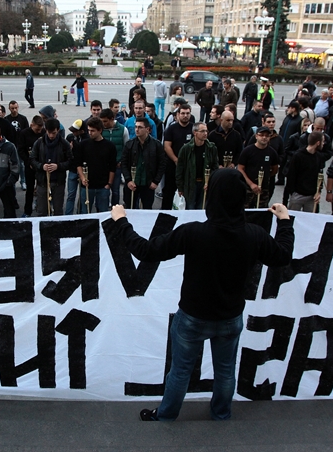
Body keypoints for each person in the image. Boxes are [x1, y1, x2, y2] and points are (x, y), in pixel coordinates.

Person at [110, 168, 294, 421]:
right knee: (226, 371)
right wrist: (284, 221)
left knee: (180, 371)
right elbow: (282, 256)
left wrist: (121, 221)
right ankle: (221, 413)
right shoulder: (254, 235)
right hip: (230, 317)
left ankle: (166, 415)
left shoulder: (194, 232)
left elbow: (146, 252)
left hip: (193, 317)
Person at [120, 117, 166, 209]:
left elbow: (162, 164)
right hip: (132, 183)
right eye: (136, 127)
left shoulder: (156, 145)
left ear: (148, 129)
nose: (137, 129)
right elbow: (124, 163)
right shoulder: (129, 144)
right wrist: (128, 180)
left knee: (147, 209)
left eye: (140, 127)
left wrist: (156, 181)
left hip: (148, 184)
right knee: (130, 208)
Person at [30, 118, 73, 216]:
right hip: (42, 182)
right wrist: (41, 166)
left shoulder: (64, 144)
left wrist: (58, 166)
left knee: (58, 210)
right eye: (49, 132)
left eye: (53, 133)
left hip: (58, 182)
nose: (51, 136)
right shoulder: (39, 143)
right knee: (42, 211)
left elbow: (70, 161)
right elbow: (32, 159)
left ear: (58, 130)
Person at [76, 117, 117, 213]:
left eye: (92, 131)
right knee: (85, 213)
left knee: (103, 213)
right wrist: (82, 178)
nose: (89, 133)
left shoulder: (110, 146)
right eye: (89, 130)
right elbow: (78, 164)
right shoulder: (83, 145)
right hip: (87, 186)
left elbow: (112, 167)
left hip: (103, 186)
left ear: (100, 130)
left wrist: (109, 184)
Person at [175, 122, 220, 209]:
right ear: (195, 132)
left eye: (206, 131)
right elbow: (180, 169)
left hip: (205, 184)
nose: (205, 133)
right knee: (190, 208)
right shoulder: (186, 149)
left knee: (202, 207)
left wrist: (211, 181)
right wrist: (180, 187)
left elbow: (215, 166)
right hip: (190, 184)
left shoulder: (211, 148)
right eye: (202, 131)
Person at [285, 131, 328, 212]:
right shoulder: (298, 156)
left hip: (312, 196)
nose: (324, 143)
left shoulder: (319, 157)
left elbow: (320, 175)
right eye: (323, 141)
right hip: (297, 195)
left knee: (309, 221)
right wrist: (293, 193)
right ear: (318, 143)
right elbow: (291, 175)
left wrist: (318, 192)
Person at [238, 126, 280, 208]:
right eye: (261, 135)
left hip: (263, 189)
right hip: (248, 188)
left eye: (267, 136)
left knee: (261, 213)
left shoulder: (272, 152)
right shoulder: (247, 151)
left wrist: (266, 177)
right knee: (245, 211)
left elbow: (275, 169)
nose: (264, 137)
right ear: (256, 136)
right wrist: (251, 184)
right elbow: (240, 168)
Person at [162, 103, 194, 209]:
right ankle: (166, 212)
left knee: (187, 192)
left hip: (189, 167)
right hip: (173, 166)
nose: (185, 115)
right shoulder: (171, 129)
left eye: (187, 113)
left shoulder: (194, 129)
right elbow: (167, 146)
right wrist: (176, 160)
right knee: (169, 192)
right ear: (178, 115)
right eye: (183, 113)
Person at [101, 108, 129, 207]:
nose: (103, 124)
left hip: (117, 165)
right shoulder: (101, 130)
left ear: (112, 119)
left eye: (105, 121)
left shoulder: (123, 130)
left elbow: (126, 147)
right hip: (104, 166)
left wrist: (121, 161)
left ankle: (115, 208)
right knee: (105, 189)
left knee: (116, 190)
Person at [17, 116, 45, 217]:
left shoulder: (43, 132)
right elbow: (20, 150)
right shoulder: (24, 133)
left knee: (43, 188)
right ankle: (27, 210)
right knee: (30, 189)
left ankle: (42, 208)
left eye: (40, 129)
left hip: (41, 165)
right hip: (30, 166)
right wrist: (29, 162)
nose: (39, 131)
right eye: (37, 129)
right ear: (31, 125)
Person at [65, 119, 86, 215]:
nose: (73, 133)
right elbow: (65, 153)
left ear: (81, 131)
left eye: (75, 131)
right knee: (71, 195)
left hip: (83, 171)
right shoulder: (70, 138)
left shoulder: (87, 140)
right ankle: (68, 216)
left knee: (83, 197)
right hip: (73, 170)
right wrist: (69, 149)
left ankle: (80, 214)